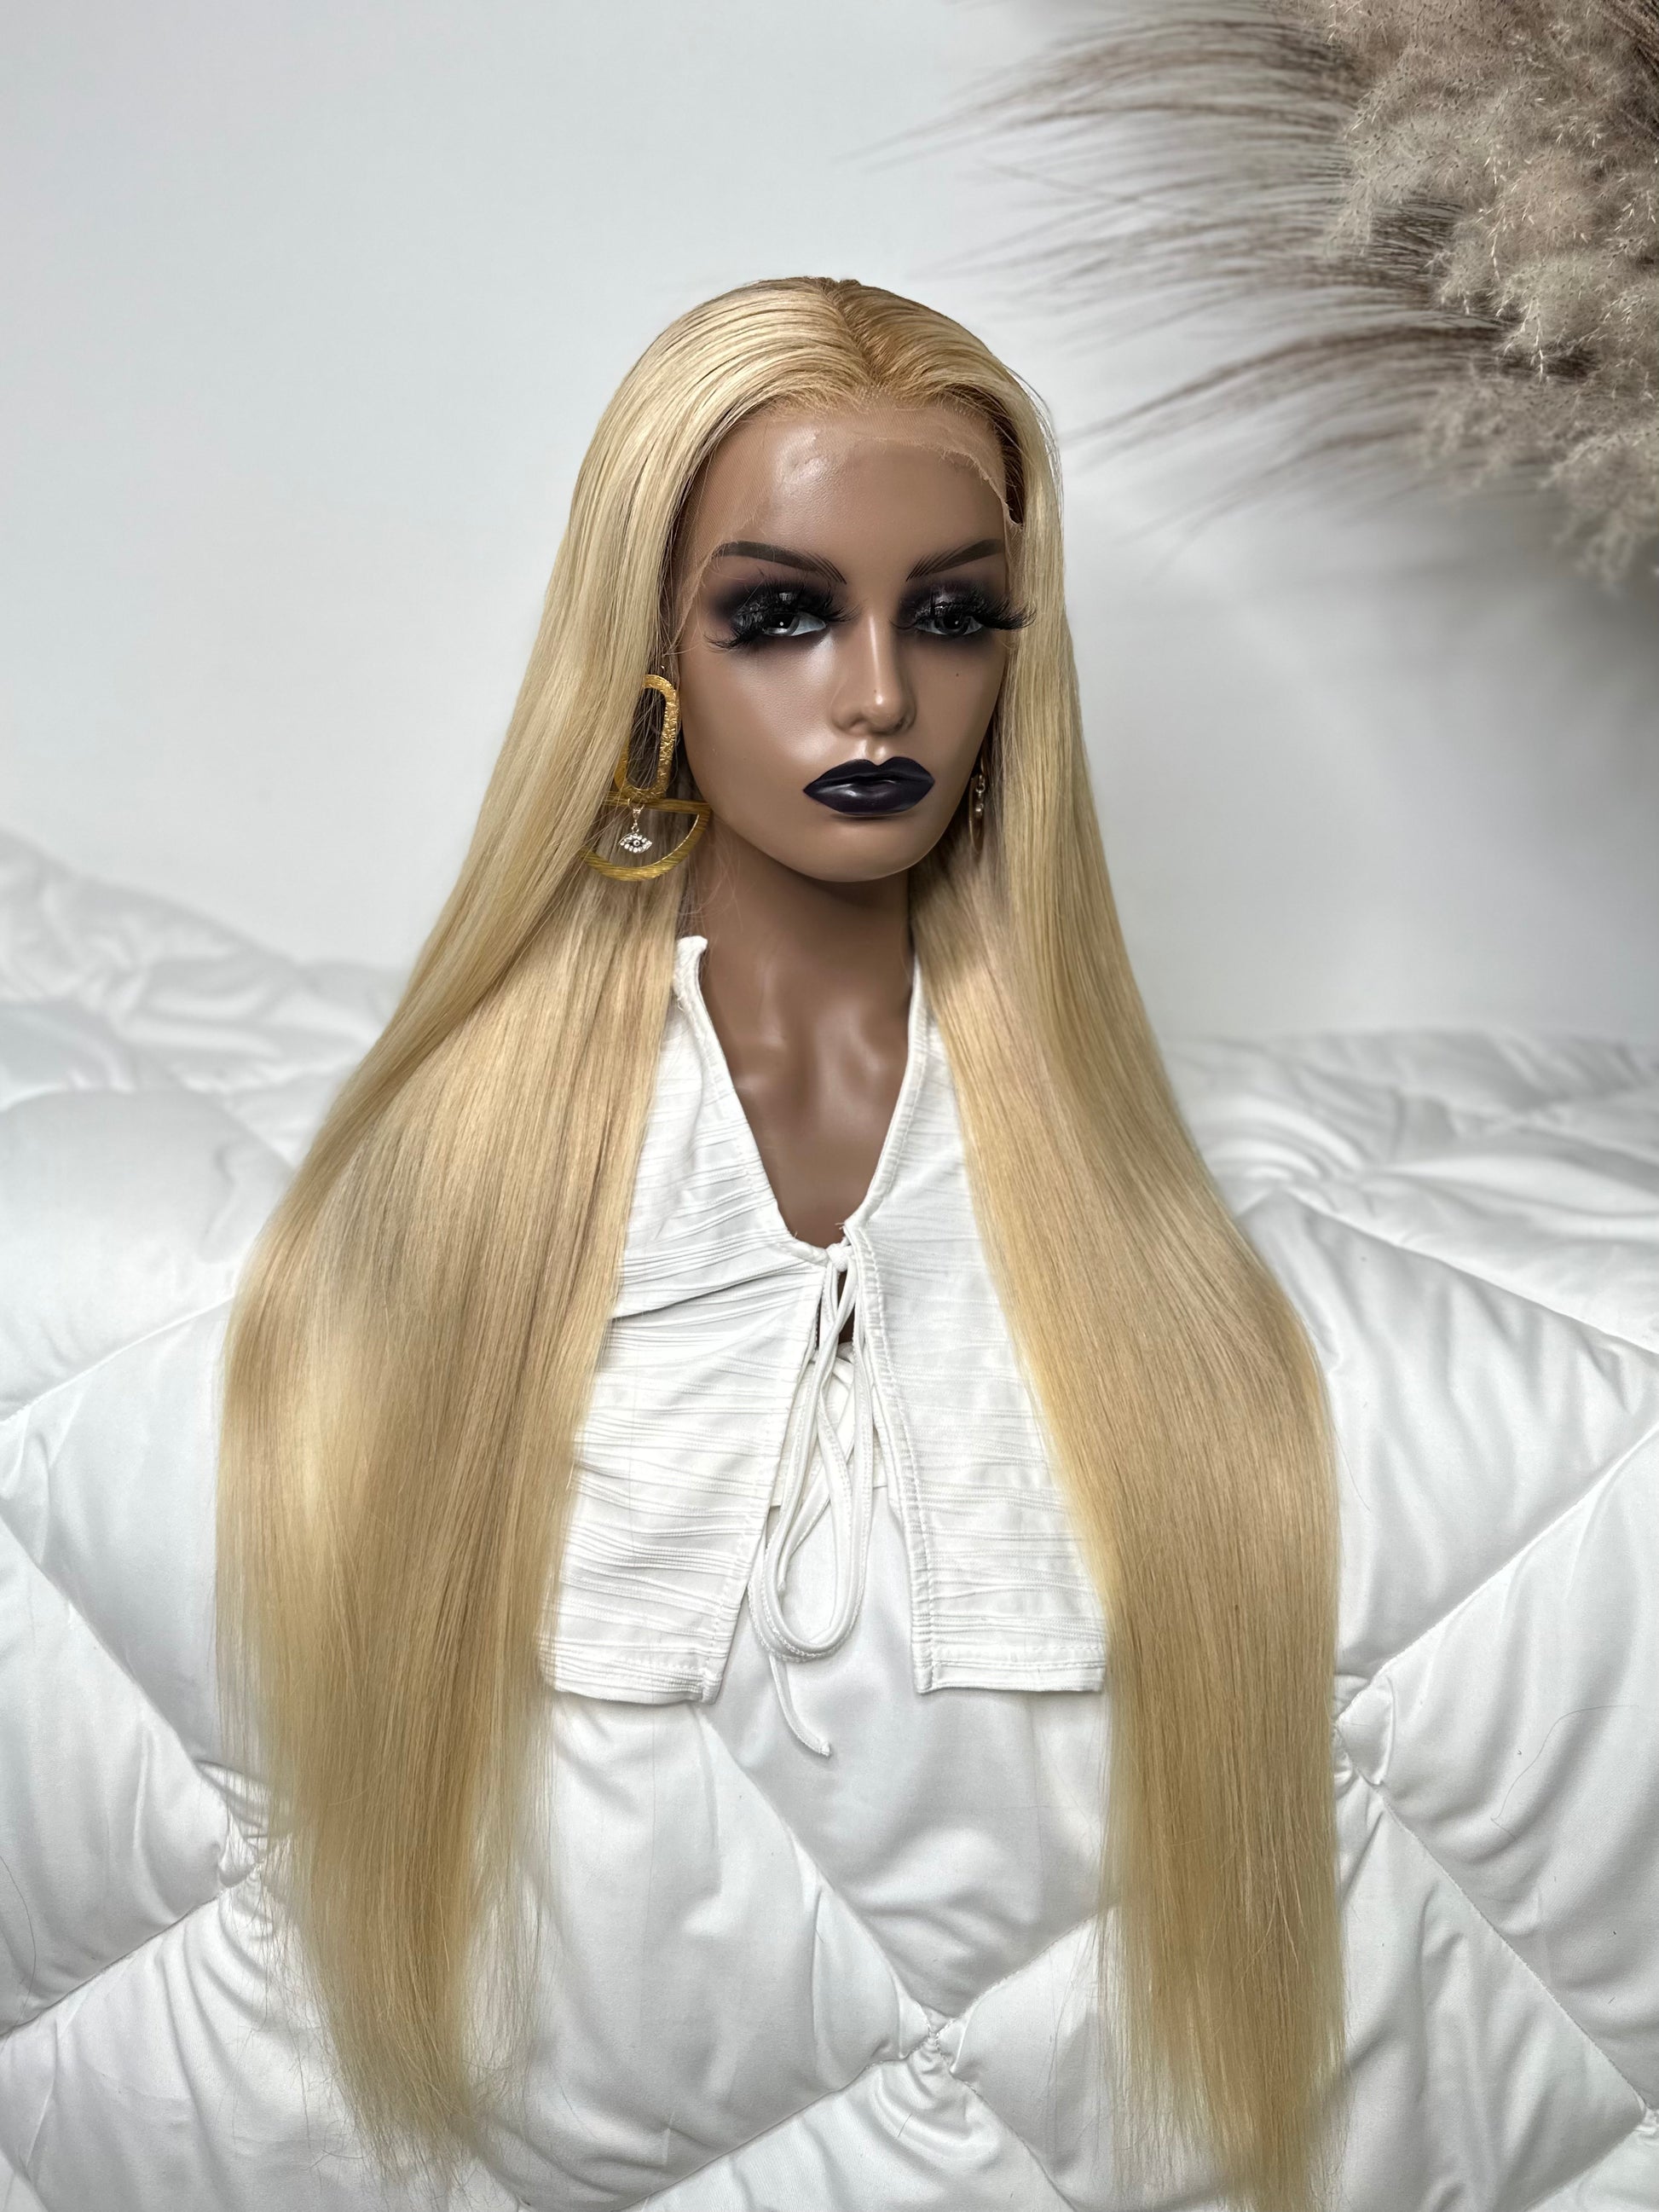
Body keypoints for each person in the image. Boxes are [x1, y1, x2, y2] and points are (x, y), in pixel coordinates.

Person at [213, 275, 1344, 2212]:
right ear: (648, 652)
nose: (880, 694)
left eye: (953, 614)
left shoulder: (1084, 1169)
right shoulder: (479, 1160)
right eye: (780, 615)